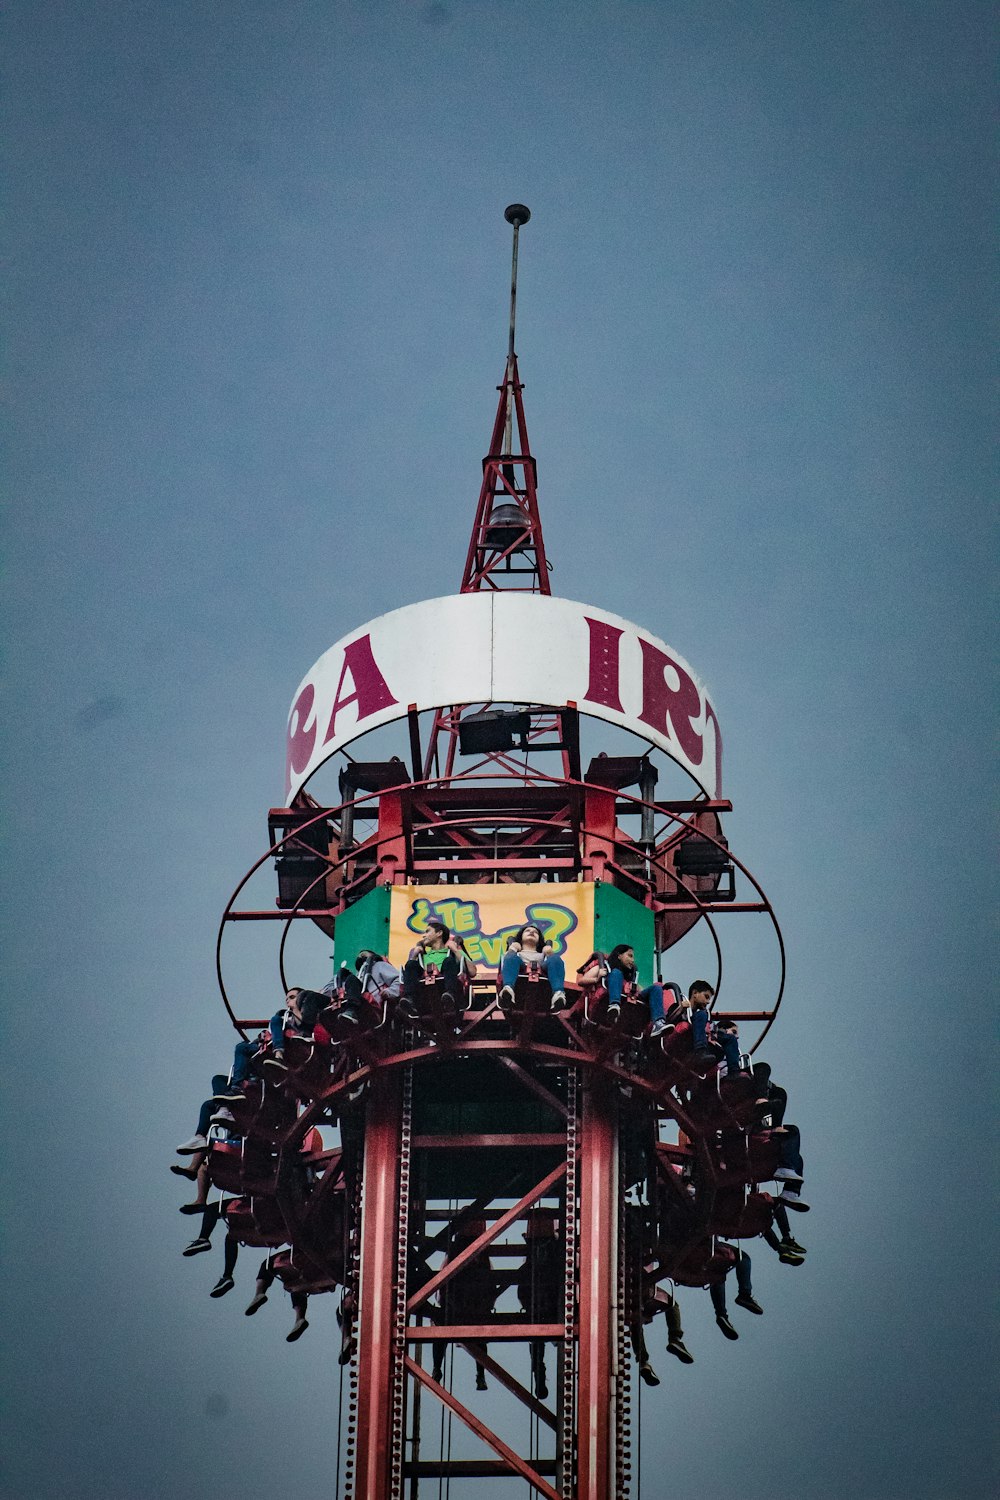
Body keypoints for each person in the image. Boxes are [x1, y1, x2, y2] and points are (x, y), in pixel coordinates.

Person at [431, 1218, 498, 1391]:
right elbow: (490, 1285)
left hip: (455, 1306)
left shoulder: (455, 1251)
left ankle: (437, 1368)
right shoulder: (482, 1255)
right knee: (479, 1336)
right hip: (473, 1308)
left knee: (439, 1330)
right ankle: (480, 1375)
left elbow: (442, 1286)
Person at [515, 1209, 562, 1399]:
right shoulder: (554, 1261)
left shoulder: (530, 1266)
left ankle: (539, 1376)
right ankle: (539, 1377)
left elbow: (521, 1291)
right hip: (548, 1310)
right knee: (536, 1344)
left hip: (540, 1311)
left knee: (536, 1345)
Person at [577, 945, 670, 1035]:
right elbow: (581, 981)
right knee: (616, 973)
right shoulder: (605, 968)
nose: (632, 960)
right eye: (629, 956)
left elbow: (640, 992)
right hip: (606, 1004)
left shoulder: (631, 980)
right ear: (619, 955)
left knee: (656, 988)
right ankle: (614, 1006)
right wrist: (597, 978)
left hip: (628, 1004)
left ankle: (658, 1023)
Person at [401, 918, 477, 1014]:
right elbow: (408, 975)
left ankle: (450, 996)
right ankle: (410, 1000)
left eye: (428, 931)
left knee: (449, 961)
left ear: (439, 933)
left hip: (447, 989)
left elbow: (472, 972)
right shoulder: (422, 957)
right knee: (411, 964)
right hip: (425, 992)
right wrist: (415, 955)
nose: (424, 935)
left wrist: (455, 950)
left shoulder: (453, 953)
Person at [499, 923, 566, 1011]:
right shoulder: (514, 954)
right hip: (519, 982)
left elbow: (554, 965)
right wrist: (512, 949)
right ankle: (508, 990)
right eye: (527, 931)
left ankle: (558, 994)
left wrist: (549, 953)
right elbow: (505, 963)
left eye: (535, 932)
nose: (531, 932)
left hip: (542, 986)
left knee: (555, 959)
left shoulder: (544, 956)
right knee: (511, 957)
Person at [710, 1247, 762, 1339]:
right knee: (743, 1257)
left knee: (716, 1272)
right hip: (706, 1244)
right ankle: (744, 1294)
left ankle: (721, 1314)